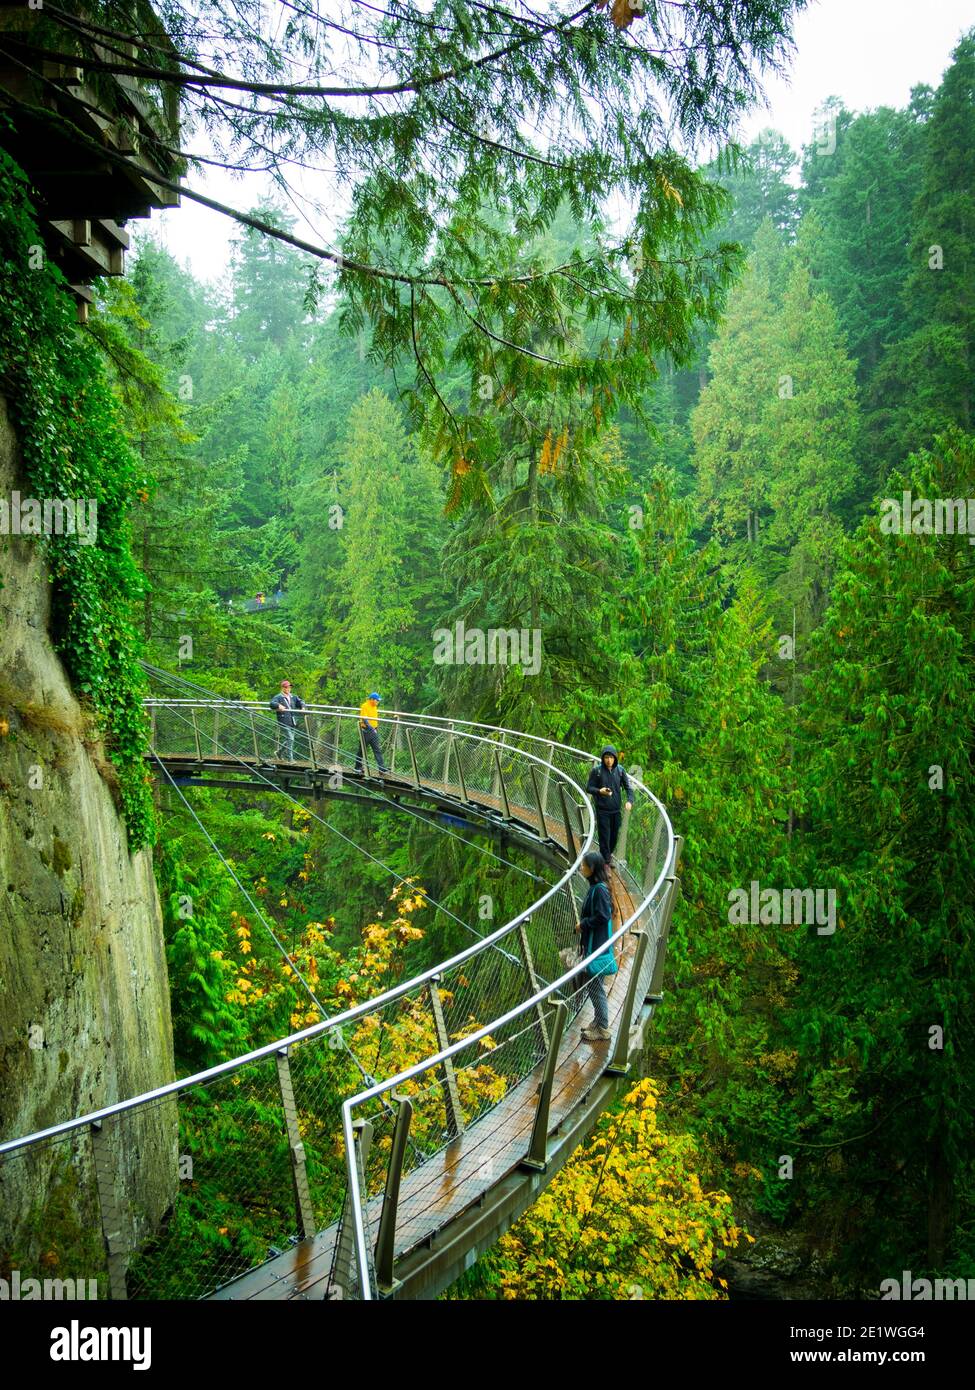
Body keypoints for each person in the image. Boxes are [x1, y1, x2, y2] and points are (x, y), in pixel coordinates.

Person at [577, 850, 617, 1043]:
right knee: (594, 985)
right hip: (596, 944)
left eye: (584, 866)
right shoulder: (596, 887)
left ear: (592, 869)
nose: (581, 868)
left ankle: (603, 1028)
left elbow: (603, 916)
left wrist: (583, 925)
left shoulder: (599, 889)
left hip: (597, 946)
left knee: (596, 985)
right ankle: (598, 1020)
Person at [586, 744, 633, 866]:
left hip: (616, 810)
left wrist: (629, 801)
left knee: (613, 837)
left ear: (615, 758)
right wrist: (599, 791)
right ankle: (606, 863)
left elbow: (629, 788)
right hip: (602, 810)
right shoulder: (597, 771)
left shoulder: (621, 771)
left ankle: (607, 857)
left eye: (611, 757)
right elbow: (589, 787)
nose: (609, 760)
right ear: (603, 758)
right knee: (604, 837)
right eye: (606, 757)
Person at [269, 678, 304, 761]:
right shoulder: (278, 697)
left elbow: (301, 701)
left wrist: (303, 707)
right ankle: (290, 759)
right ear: (283, 688)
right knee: (290, 739)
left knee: (290, 739)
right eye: (286, 687)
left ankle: (279, 753)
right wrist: (278, 705)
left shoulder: (293, 697)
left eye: (289, 687)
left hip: (293, 721)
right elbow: (271, 703)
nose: (288, 689)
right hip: (283, 721)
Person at [354, 691, 388, 774]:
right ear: (372, 699)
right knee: (362, 750)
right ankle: (357, 767)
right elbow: (364, 719)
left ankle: (381, 769)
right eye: (377, 700)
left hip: (374, 731)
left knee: (377, 750)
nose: (378, 702)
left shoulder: (374, 706)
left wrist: (374, 729)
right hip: (366, 731)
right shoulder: (365, 706)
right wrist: (371, 728)